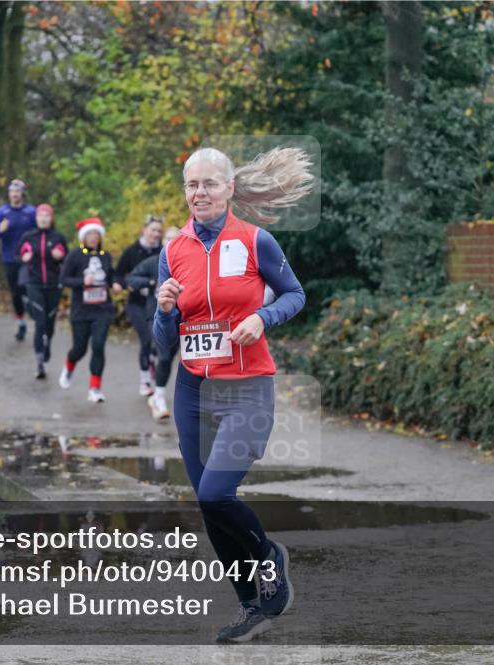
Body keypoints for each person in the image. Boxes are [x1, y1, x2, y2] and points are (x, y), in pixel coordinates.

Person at [153, 146, 312, 643]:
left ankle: (268, 558)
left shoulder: (255, 240)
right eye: (191, 185)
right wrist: (162, 310)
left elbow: (295, 294)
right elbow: (164, 343)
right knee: (210, 506)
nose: (198, 193)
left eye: (208, 184)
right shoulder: (172, 249)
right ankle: (250, 606)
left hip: (247, 387)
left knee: (215, 492)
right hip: (193, 389)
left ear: (229, 189)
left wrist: (260, 318)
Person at [59, 217, 115, 403]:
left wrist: (116, 283)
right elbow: (64, 279)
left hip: (102, 310)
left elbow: (112, 276)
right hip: (81, 311)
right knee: (79, 349)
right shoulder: (75, 255)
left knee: (98, 346)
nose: (93, 237)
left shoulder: (105, 255)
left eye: (96, 234)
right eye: (89, 234)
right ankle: (69, 366)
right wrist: (82, 282)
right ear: (83, 237)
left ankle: (95, 388)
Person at [127, 225, 180, 419]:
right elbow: (131, 278)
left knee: (170, 358)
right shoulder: (154, 262)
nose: (172, 243)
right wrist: (151, 283)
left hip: (182, 318)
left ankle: (159, 392)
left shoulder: (191, 263)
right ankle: (158, 396)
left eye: (176, 239)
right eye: (168, 239)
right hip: (156, 316)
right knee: (164, 356)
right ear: (163, 242)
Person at [115, 214, 165, 396]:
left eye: (159, 231)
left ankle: (151, 358)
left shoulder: (164, 251)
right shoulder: (132, 251)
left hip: (156, 304)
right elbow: (119, 274)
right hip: (136, 303)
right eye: (153, 229)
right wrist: (119, 283)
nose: (156, 233)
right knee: (145, 339)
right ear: (144, 230)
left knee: (157, 342)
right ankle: (145, 381)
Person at [17, 204, 68, 379]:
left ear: (51, 218)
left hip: (53, 285)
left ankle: (47, 345)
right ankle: (39, 362)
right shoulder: (28, 236)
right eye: (41, 216)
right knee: (40, 321)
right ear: (36, 218)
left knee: (49, 322)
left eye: (47, 215)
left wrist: (60, 255)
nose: (44, 219)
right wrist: (25, 256)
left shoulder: (58, 237)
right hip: (34, 283)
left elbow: (66, 256)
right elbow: (20, 253)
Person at [0, 179, 36, 340]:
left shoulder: (30, 212)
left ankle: (33, 311)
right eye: (12, 191)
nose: (14, 194)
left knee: (25, 285)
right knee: (15, 292)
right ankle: (21, 322)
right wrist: (0, 231)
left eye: (17, 191)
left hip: (27, 257)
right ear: (9, 194)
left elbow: (39, 232)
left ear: (22, 194)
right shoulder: (1, 212)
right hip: (9, 257)